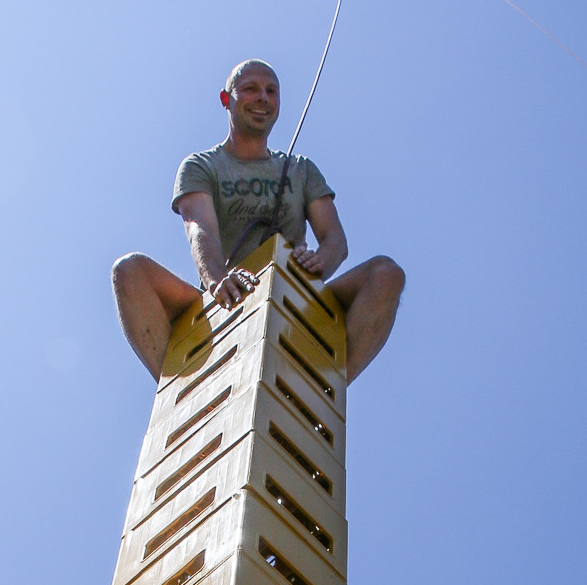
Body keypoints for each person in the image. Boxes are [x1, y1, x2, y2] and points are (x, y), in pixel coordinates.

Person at [112, 59, 405, 386]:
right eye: (250, 89)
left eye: (271, 91)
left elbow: (335, 238)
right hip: (225, 296)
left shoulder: (300, 169)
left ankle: (325, 388)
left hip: (294, 299)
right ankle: (183, 389)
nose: (263, 98)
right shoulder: (202, 165)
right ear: (227, 100)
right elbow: (199, 227)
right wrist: (217, 280)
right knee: (129, 271)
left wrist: (322, 260)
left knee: (386, 274)